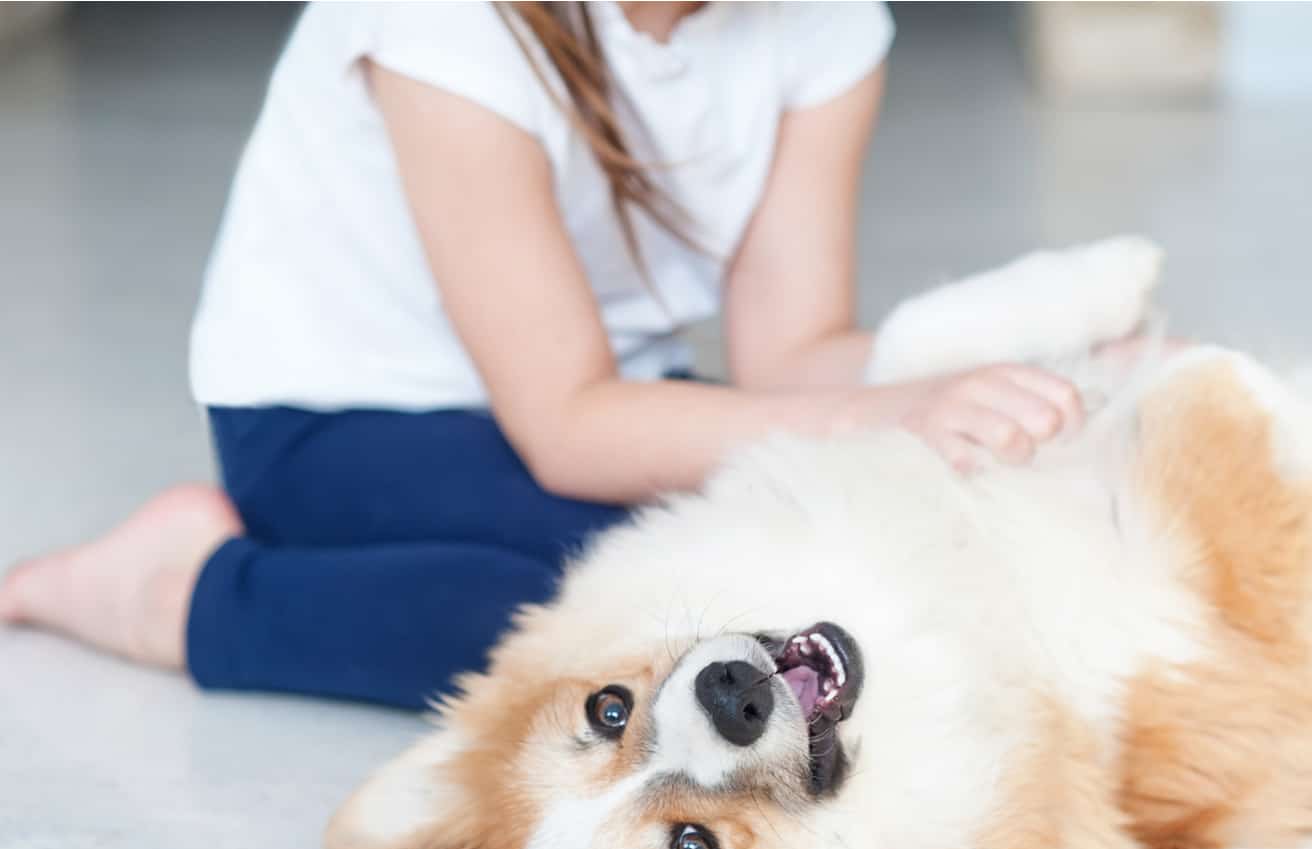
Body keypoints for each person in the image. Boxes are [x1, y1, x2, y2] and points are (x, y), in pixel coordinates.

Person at [0, 1, 1093, 710]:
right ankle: (180, 591)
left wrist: (1041, 372)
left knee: (780, 561)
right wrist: (887, 418)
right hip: (335, 421)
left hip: (610, 400)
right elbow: (565, 425)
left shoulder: (825, 26)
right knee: (609, 623)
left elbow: (789, 353)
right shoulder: (445, 22)